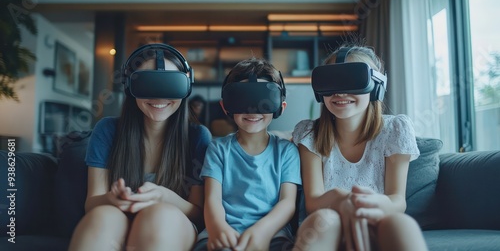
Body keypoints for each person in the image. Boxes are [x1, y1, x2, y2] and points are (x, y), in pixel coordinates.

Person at [68, 43, 212, 251]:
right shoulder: (108, 130)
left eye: (169, 85)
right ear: (129, 87)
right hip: (119, 217)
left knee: (159, 215)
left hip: (173, 222)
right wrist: (112, 198)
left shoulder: (197, 137)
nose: (159, 96)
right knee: (103, 216)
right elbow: (91, 203)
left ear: (186, 86)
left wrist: (164, 197)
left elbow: (199, 213)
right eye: (148, 84)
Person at [292, 45, 428, 251]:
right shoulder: (310, 134)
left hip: (376, 219)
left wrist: (364, 207)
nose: (340, 92)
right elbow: (313, 202)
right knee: (325, 220)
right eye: (332, 82)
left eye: (353, 81)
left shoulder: (395, 130)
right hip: (327, 223)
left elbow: (397, 200)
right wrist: (343, 199)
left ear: (376, 87)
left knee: (401, 223)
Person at [193, 58, 302, 251]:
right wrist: (218, 228)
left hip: (272, 234)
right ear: (226, 106)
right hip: (223, 231)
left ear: (279, 107)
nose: (252, 110)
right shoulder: (218, 149)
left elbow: (287, 203)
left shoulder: (287, 152)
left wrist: (262, 232)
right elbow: (212, 199)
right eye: (243, 99)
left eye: (263, 100)